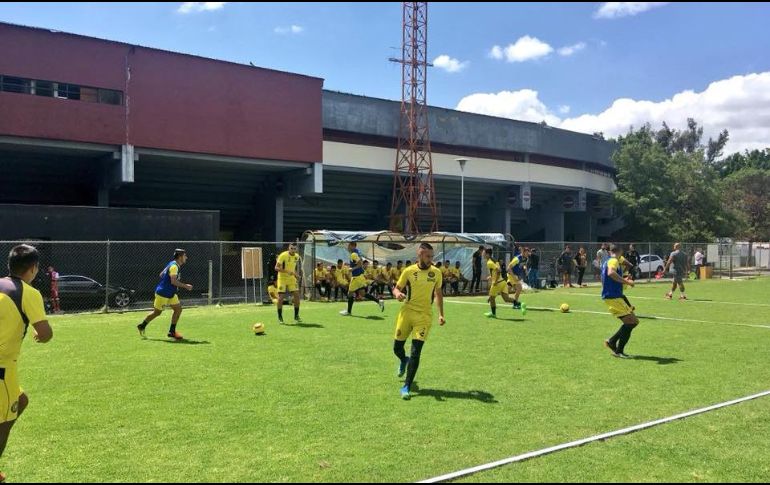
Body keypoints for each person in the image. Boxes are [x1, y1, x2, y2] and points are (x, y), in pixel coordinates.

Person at [0, 245, 53, 481]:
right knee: (5, 421)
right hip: (2, 368)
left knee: (21, 400)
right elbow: (45, 332)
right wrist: (38, 335)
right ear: (33, 269)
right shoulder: (28, 292)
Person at [392, 242, 445, 400]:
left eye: (432, 256)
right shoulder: (408, 271)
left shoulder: (436, 273)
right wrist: (397, 294)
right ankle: (403, 360)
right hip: (407, 313)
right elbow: (396, 288)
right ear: (420, 254)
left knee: (416, 352)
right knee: (397, 348)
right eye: (428, 256)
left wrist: (441, 314)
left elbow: (439, 294)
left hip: (424, 316)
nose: (431, 259)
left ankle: (406, 386)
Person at [137, 249, 192, 340]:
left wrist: (167, 281)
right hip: (163, 293)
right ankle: (142, 325)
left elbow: (161, 274)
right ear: (180, 257)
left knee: (178, 309)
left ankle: (172, 332)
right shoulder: (174, 266)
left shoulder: (172, 263)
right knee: (157, 313)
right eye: (185, 255)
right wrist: (185, 286)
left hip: (171, 293)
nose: (186, 257)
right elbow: (173, 281)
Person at [601, 244, 638, 358]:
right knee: (631, 322)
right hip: (613, 297)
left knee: (633, 322)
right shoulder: (613, 260)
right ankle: (618, 351)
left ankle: (612, 342)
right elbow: (611, 273)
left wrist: (623, 281)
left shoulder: (607, 261)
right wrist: (627, 282)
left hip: (614, 296)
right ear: (620, 251)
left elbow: (607, 279)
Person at [339, 242, 384, 316]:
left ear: (353, 246)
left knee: (350, 294)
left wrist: (352, 269)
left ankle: (348, 312)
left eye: (349, 246)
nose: (348, 247)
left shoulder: (354, 254)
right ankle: (379, 301)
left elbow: (360, 263)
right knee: (362, 293)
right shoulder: (358, 251)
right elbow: (360, 262)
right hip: (360, 276)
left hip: (356, 277)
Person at [483, 248, 521, 318]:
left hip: (498, 283)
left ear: (488, 254)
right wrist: (491, 277)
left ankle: (493, 314)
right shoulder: (494, 261)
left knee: (492, 298)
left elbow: (498, 271)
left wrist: (495, 281)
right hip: (503, 282)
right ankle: (518, 303)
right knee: (506, 299)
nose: (483, 254)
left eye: (484, 253)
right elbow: (497, 270)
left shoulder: (489, 262)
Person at [275, 243, 302, 324]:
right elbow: (276, 267)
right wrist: (287, 271)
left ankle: (296, 316)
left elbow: (292, 268)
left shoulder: (297, 256)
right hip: (282, 278)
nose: (293, 250)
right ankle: (280, 317)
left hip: (291, 279)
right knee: (281, 297)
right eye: (291, 248)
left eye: (294, 248)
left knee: (297, 296)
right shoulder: (283, 255)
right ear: (288, 248)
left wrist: (296, 275)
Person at [506, 248, 528, 313]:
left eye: (528, 253)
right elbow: (508, 268)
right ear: (523, 252)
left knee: (506, 291)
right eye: (526, 253)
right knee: (519, 288)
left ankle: (493, 296)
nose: (527, 255)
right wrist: (514, 277)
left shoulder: (525, 258)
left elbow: (523, 265)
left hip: (515, 276)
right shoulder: (517, 258)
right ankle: (515, 304)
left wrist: (525, 269)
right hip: (511, 275)